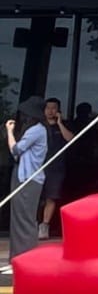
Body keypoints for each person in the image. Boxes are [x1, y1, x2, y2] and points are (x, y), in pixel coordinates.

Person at [5, 96, 48, 265]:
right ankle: (17, 257)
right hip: (26, 176)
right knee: (20, 217)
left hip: (27, 178)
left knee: (24, 219)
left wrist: (9, 131)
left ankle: (25, 257)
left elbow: (16, 150)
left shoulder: (36, 130)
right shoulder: (37, 129)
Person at [39, 98, 75, 239]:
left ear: (58, 110)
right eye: (48, 108)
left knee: (51, 197)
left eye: (53, 108)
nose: (50, 111)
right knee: (36, 197)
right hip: (39, 167)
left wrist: (60, 123)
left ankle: (44, 226)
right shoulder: (39, 126)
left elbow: (70, 139)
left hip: (56, 168)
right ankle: (32, 224)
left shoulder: (63, 125)